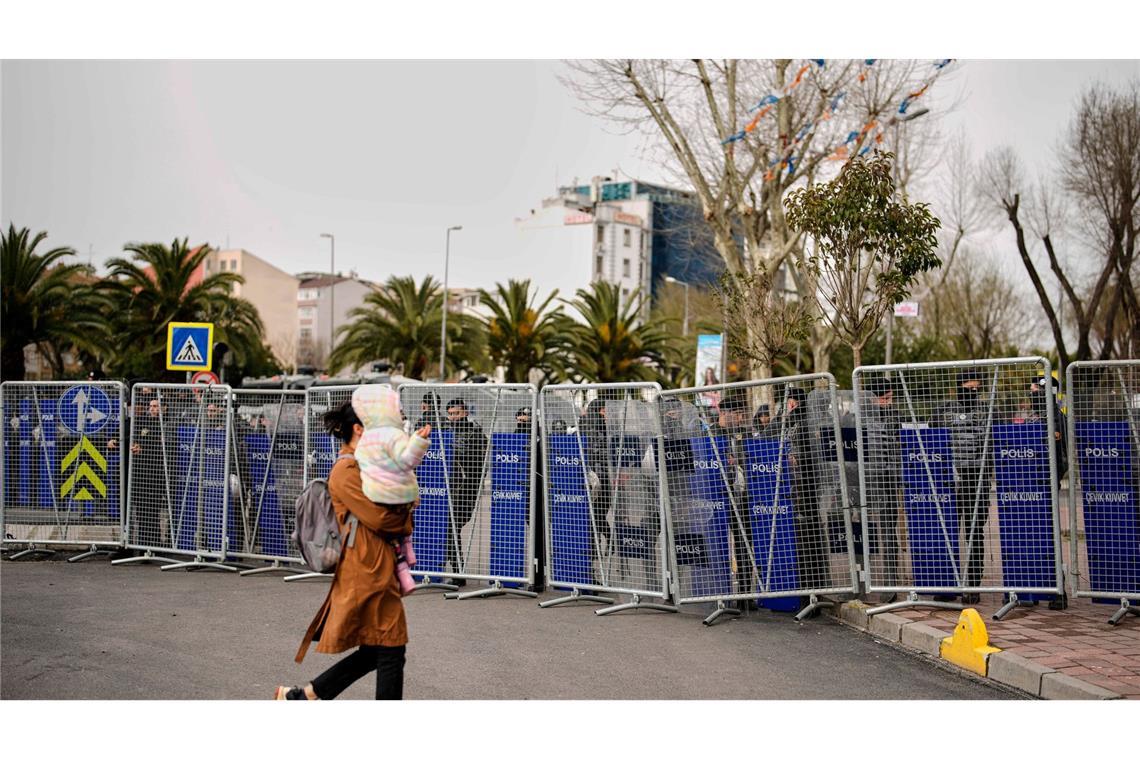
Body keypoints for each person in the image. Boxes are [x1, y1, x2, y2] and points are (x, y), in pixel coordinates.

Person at [279, 397, 425, 700]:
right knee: (391, 648)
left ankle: (303, 697)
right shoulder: (346, 470)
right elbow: (381, 519)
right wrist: (407, 512)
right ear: (359, 429)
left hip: (374, 564)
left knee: (378, 649)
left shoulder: (365, 466)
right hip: (365, 568)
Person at [934, 369, 993, 604]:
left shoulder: (987, 411)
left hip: (976, 479)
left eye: (977, 388)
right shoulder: (943, 411)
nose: (973, 392)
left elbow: (995, 444)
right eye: (968, 388)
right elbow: (933, 440)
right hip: (948, 479)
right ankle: (946, 584)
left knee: (973, 531)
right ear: (958, 387)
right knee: (946, 531)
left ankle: (972, 584)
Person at [783, 387, 829, 604]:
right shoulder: (810, 421)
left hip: (803, 489)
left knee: (805, 539)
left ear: (793, 403)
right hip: (808, 491)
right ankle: (814, 587)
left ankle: (809, 588)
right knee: (812, 537)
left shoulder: (798, 421)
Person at [863, 377, 901, 603]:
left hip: (887, 480)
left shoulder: (895, 417)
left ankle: (889, 583)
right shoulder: (859, 418)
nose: (890, 402)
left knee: (888, 532)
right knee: (864, 532)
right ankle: (861, 581)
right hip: (864, 481)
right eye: (886, 398)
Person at [441, 398, 487, 585]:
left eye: (456, 414)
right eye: (450, 414)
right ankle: (452, 570)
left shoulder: (475, 433)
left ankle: (458, 573)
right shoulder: (445, 432)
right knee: (447, 528)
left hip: (466, 489)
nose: (453, 418)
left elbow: (477, 462)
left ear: (465, 413)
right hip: (448, 490)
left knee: (453, 527)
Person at [714, 393, 753, 596]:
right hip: (717, 497)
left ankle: (745, 591)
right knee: (717, 542)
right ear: (724, 412)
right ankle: (719, 590)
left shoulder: (744, 435)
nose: (740, 419)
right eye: (736, 414)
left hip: (741, 497)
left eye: (742, 414)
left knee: (744, 541)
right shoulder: (710, 434)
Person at [129, 395, 170, 547]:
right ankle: (142, 543)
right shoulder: (141, 422)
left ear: (164, 408)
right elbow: (132, 438)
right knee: (140, 510)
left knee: (154, 511)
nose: (152, 409)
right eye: (151, 406)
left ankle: (155, 544)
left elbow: (164, 447)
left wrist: (144, 448)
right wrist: (134, 445)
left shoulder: (166, 424)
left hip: (157, 474)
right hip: (141, 474)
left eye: (156, 406)